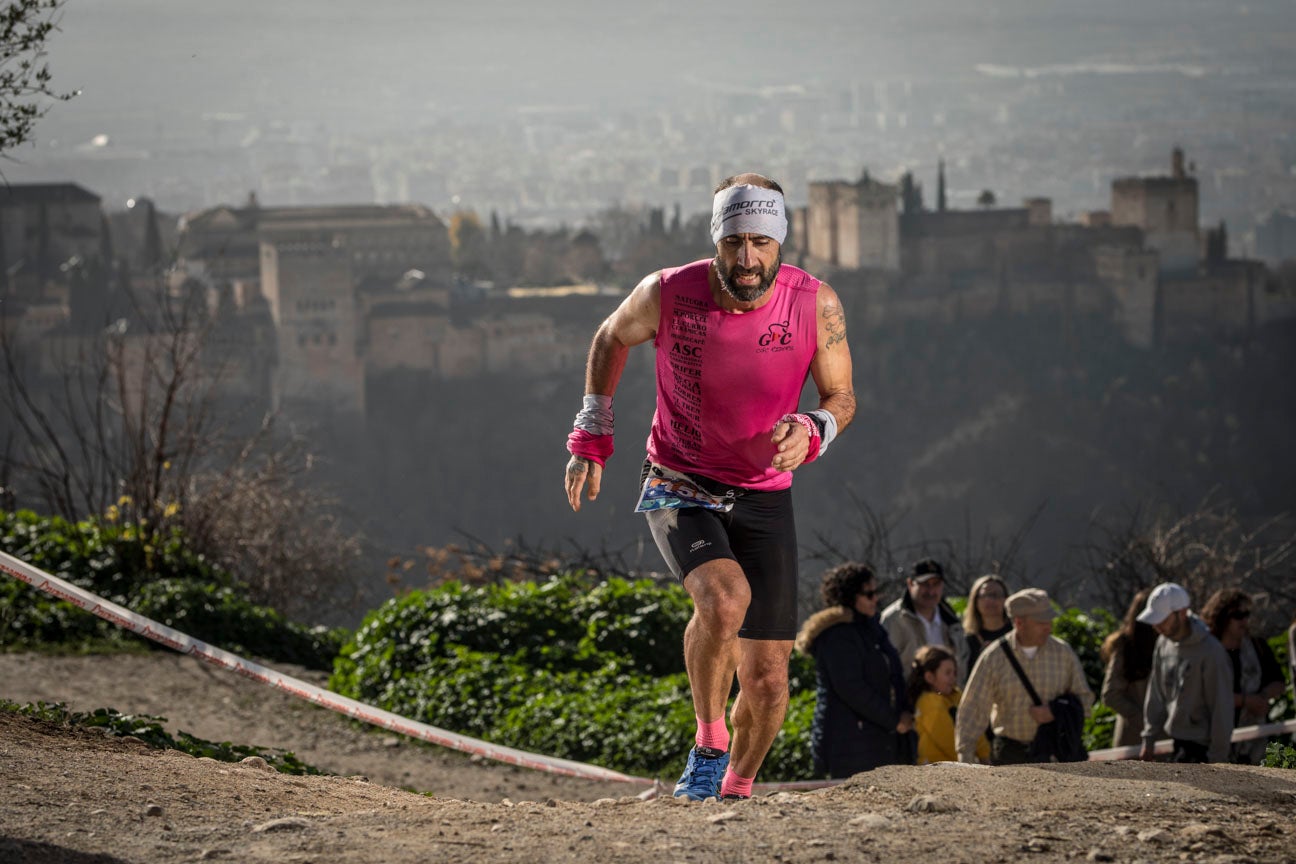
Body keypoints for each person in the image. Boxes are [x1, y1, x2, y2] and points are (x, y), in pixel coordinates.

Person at [563, 173, 855, 801]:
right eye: (734, 243)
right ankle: (708, 741)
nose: (747, 260)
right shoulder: (668, 291)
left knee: (771, 681)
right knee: (724, 602)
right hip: (680, 479)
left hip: (765, 490)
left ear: (780, 241)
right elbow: (612, 334)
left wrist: (815, 425)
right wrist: (594, 431)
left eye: (760, 243)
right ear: (716, 240)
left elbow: (842, 395)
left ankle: (735, 787)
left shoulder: (815, 303)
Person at [795, 562, 912, 778]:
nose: (875, 599)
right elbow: (852, 689)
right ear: (850, 597)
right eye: (869, 593)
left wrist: (904, 711)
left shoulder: (871, 627)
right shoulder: (837, 635)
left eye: (877, 592)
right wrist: (894, 721)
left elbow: (893, 673)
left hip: (877, 740)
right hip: (847, 745)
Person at [955, 588, 1094, 765]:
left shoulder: (1063, 653)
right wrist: (965, 754)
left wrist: (1055, 712)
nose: (1048, 627)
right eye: (1041, 622)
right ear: (1019, 623)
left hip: (1055, 753)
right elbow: (973, 707)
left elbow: (1085, 699)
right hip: (1010, 754)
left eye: (1049, 620)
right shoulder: (994, 657)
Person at [1137, 582, 1233, 764]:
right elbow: (1156, 692)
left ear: (1181, 613)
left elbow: (1221, 708)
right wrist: (1149, 739)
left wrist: (1218, 758)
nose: (1157, 627)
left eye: (1163, 620)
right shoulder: (1163, 643)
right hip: (1177, 740)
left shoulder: (1211, 651)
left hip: (1203, 747)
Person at [1201, 588, 1285, 764]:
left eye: (1247, 614)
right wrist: (1245, 700)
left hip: (1253, 741)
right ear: (1222, 616)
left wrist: (1261, 697)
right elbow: (1203, 694)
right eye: (1238, 615)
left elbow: (1278, 682)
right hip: (1211, 734)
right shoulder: (1208, 650)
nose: (1245, 621)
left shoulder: (1257, 646)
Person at [880, 559, 969, 684]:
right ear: (910, 584)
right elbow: (884, 666)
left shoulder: (952, 620)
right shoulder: (893, 619)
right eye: (924, 584)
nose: (931, 591)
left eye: (936, 584)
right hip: (908, 700)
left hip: (948, 700)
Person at [908, 644, 988, 765]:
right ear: (930, 677)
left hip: (960, 764)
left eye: (954, 673)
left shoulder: (955, 696)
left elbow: (973, 726)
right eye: (947, 673)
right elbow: (948, 741)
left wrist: (984, 754)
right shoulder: (929, 703)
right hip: (935, 770)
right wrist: (971, 761)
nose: (953, 678)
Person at [1099, 587, 1157, 749]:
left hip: (1165, 739)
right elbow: (1111, 694)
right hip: (1134, 740)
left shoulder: (1170, 644)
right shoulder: (1126, 647)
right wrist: (1142, 719)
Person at [963, 575, 1012, 673]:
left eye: (996, 595)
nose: (990, 600)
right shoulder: (965, 640)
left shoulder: (1016, 635)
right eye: (984, 595)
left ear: (1006, 599)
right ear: (975, 601)